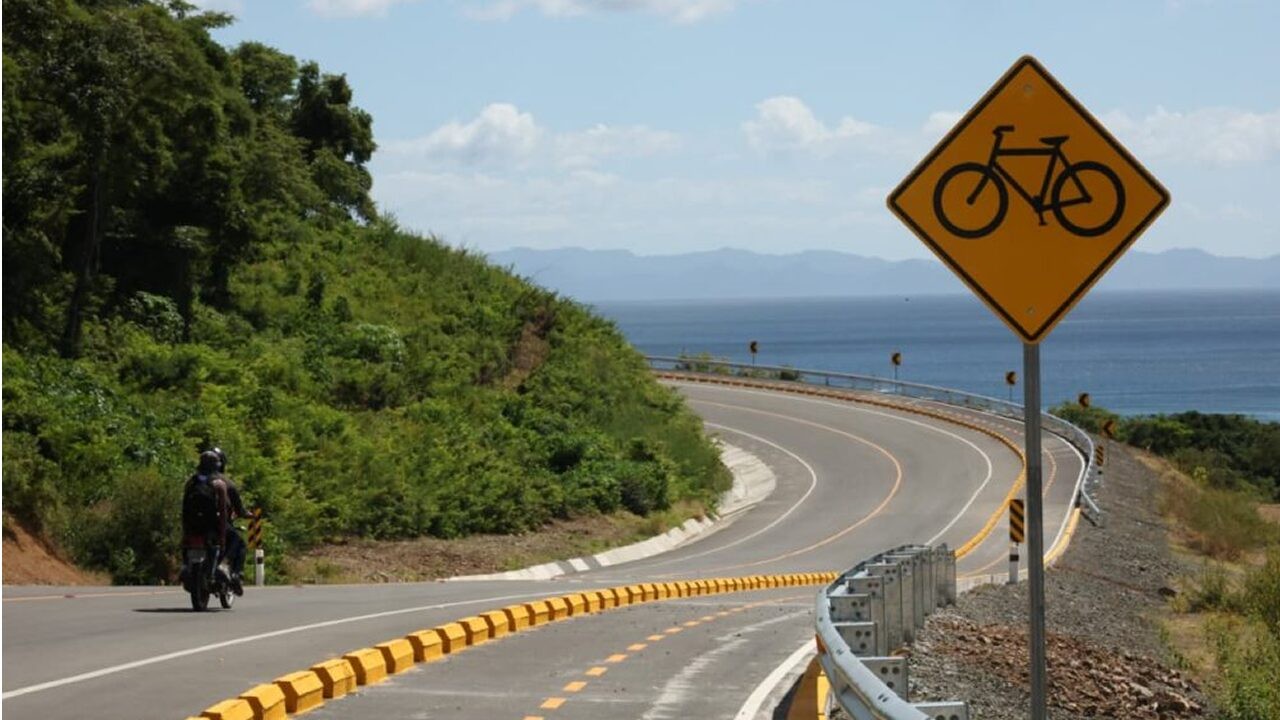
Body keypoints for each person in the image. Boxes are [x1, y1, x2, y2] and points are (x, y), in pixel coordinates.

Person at [211, 447, 248, 596]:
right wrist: (246, 514)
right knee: (239, 541)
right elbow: (239, 509)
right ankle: (228, 567)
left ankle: (186, 565)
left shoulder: (193, 480)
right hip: (217, 523)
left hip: (194, 526)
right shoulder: (225, 482)